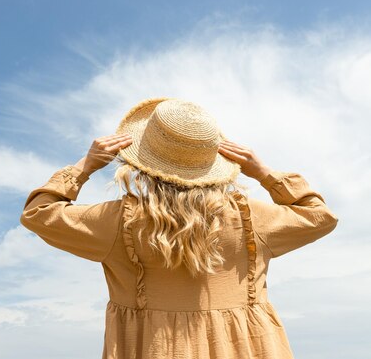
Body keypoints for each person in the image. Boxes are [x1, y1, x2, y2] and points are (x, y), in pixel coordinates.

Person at [20, 97, 338, 358]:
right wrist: (265, 173)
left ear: (142, 160)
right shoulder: (250, 217)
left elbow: (38, 214)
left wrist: (84, 167)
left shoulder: (118, 223)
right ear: (213, 164)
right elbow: (320, 216)